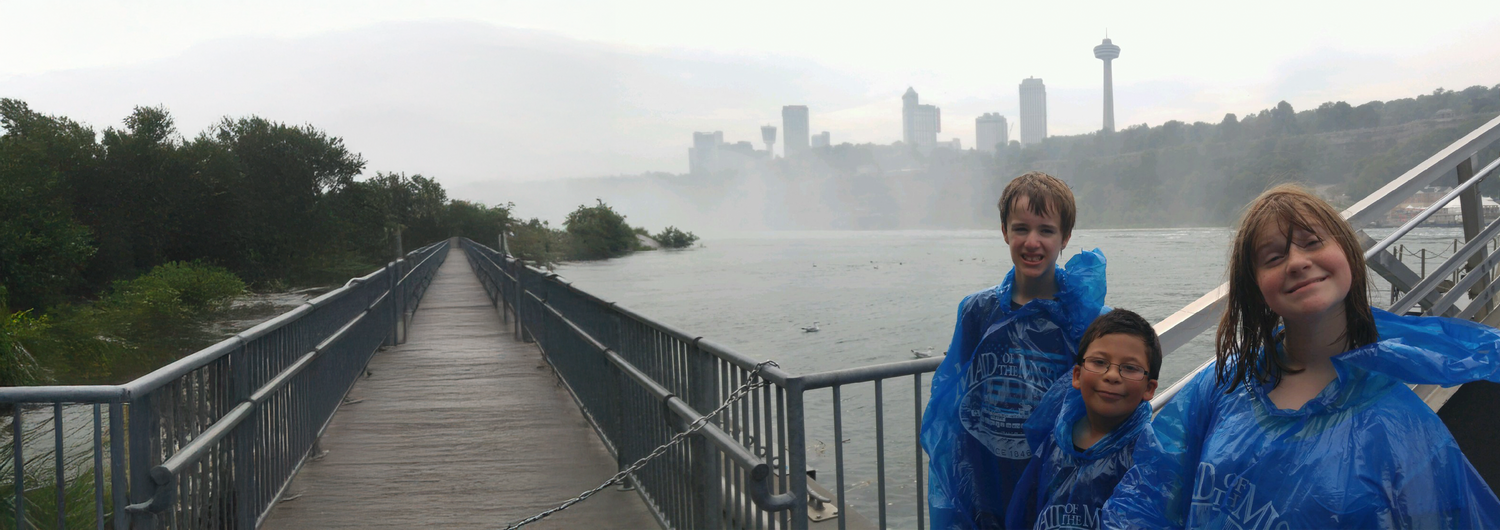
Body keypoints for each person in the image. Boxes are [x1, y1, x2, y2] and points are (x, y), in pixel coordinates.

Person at [1103, 184, 1500, 528]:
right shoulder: (1223, 384)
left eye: (1312, 242)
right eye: (1273, 257)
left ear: (1347, 253)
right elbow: (1150, 495)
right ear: (1257, 287)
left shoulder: (1403, 427)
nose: (1296, 262)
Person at [922, 171, 1109, 529]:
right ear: (1004, 232)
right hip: (988, 474)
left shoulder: (1088, 319)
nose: (1032, 242)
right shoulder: (977, 312)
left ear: (1065, 238)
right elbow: (954, 405)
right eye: (1021, 228)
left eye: (1046, 230)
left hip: (1057, 479)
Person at [1005, 309, 1164, 530]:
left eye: (1130, 368)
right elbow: (1028, 509)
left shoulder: (1146, 456)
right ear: (1077, 375)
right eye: (1099, 362)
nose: (1111, 375)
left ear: (1149, 388)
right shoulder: (1055, 442)